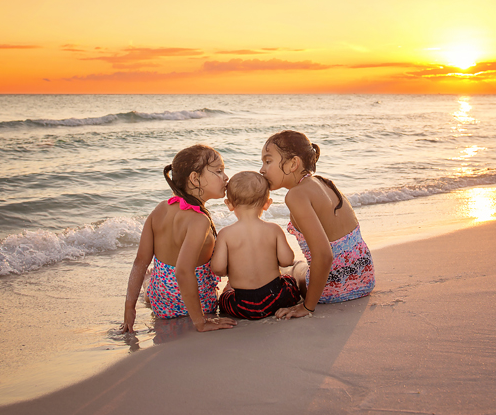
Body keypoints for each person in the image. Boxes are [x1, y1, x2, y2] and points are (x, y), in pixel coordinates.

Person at [259, 130, 375, 319]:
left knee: (291, 269)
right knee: (298, 266)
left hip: (333, 288)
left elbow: (324, 255)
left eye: (268, 161)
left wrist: (307, 307)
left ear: (293, 163)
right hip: (364, 277)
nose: (262, 169)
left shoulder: (296, 195)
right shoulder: (324, 183)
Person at [120, 145, 237, 333]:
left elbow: (140, 262)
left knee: (151, 276)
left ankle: (149, 290)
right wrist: (200, 322)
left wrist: (129, 308)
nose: (226, 177)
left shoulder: (160, 209)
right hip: (198, 306)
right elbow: (183, 271)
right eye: (218, 171)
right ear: (194, 178)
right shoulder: (199, 220)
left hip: (162, 305)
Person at [211, 171, 300, 319]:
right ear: (267, 204)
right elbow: (287, 261)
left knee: (224, 299)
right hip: (275, 298)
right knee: (289, 281)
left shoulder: (225, 234)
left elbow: (219, 269)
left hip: (243, 305)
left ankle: (229, 291)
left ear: (229, 204)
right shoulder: (274, 229)